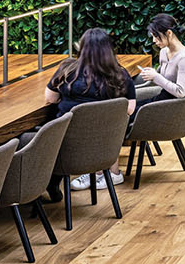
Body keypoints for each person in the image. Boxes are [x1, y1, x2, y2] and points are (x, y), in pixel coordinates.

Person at [45, 28, 136, 188]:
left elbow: (50, 98)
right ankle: (102, 172)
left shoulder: (68, 69)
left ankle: (54, 183)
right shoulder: (120, 75)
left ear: (82, 48)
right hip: (105, 141)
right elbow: (129, 109)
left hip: (66, 142)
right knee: (105, 125)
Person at [136, 13, 185, 106]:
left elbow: (181, 92)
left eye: (156, 36)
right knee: (127, 109)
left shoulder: (184, 58)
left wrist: (155, 76)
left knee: (130, 112)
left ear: (169, 33)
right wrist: (152, 74)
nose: (154, 41)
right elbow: (164, 80)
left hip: (173, 105)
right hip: (162, 97)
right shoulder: (163, 52)